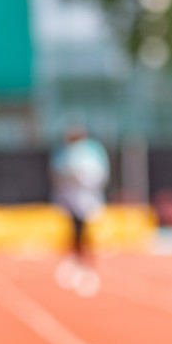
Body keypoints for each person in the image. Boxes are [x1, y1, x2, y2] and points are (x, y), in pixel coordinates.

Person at [51, 125, 110, 297]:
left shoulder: (91, 151)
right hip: (69, 199)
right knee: (72, 233)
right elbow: (57, 173)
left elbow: (97, 175)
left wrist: (78, 176)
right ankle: (74, 263)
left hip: (86, 200)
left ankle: (88, 268)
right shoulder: (64, 152)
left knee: (86, 235)